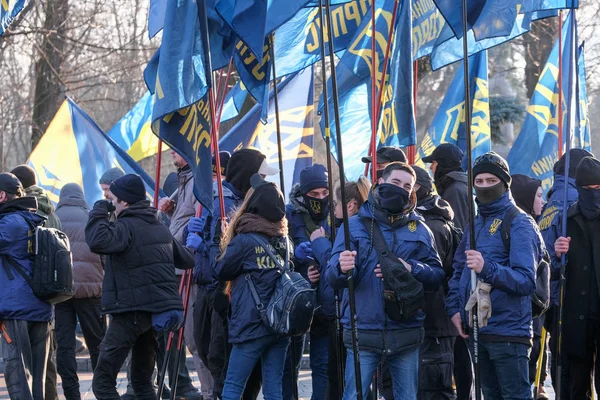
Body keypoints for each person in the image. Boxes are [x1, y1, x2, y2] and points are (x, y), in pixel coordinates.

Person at [327, 162, 445, 399]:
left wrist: (412, 268)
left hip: (406, 329)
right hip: (363, 329)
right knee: (353, 396)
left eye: (406, 186)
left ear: (412, 191)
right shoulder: (355, 225)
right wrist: (341, 267)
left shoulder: (421, 229)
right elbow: (332, 276)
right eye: (395, 182)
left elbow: (437, 276)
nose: (400, 188)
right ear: (380, 182)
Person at [86, 174, 194, 399]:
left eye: (113, 200)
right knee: (143, 382)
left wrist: (98, 210)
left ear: (125, 202)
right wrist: (193, 240)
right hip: (153, 315)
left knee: (103, 382)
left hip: (130, 313)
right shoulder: (159, 226)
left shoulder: (126, 227)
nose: (111, 203)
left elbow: (97, 240)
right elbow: (186, 260)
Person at [446, 152, 544, 400]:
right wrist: (455, 311)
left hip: (510, 332)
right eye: (479, 181)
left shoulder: (519, 222)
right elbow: (459, 270)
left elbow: (526, 281)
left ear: (504, 183)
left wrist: (486, 267)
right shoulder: (475, 223)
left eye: (491, 180)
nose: (485, 186)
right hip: (477, 330)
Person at [192, 148, 277, 399]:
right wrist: (205, 246)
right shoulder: (225, 203)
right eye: (261, 175)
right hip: (221, 294)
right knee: (222, 362)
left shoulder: (255, 200)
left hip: (240, 297)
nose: (266, 181)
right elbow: (221, 263)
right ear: (248, 176)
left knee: (240, 371)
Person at [214, 174, 291, 399]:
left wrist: (220, 239)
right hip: (279, 324)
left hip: (251, 324)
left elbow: (220, 270)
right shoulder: (285, 241)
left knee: (234, 386)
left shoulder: (245, 241)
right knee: (273, 387)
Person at [537, 148, 593, 399]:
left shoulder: (552, 200)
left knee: (564, 368)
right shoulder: (572, 201)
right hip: (568, 298)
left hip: (553, 296)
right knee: (571, 371)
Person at [310, 177, 371, 400]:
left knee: (344, 377)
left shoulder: (352, 227)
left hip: (347, 312)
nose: (332, 208)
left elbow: (339, 265)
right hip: (340, 311)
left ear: (350, 205)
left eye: (335, 203)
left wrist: (319, 243)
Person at [156, 150, 205, 400]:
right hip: (175, 266)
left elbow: (202, 218)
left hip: (189, 268)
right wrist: (171, 212)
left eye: (177, 147)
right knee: (173, 331)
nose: (171, 150)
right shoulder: (184, 178)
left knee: (193, 337)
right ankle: (179, 384)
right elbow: (184, 219)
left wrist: (191, 240)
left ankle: (207, 391)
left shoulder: (198, 178)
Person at [11, 164, 61, 400]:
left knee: (19, 366)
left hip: (20, 295)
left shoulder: (15, 217)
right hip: (48, 294)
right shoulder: (51, 213)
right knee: (46, 364)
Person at [0, 172, 51, 399]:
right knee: (36, 382)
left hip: (16, 309)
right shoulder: (34, 219)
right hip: (41, 307)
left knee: (18, 377)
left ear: (1, 196)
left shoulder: (9, 223)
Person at [553, 156, 600, 399]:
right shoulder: (565, 221)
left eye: (598, 188)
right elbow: (550, 270)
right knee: (575, 385)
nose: (593, 194)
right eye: (587, 189)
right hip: (576, 315)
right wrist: (558, 254)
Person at [284, 164, 332, 400]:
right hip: (297, 303)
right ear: (303, 194)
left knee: (322, 364)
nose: (321, 199)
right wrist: (299, 264)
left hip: (326, 303)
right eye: (314, 195)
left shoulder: (337, 214)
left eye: (325, 193)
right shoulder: (288, 216)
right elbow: (278, 256)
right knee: (290, 364)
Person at [54, 183, 106, 400]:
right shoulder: (91, 217)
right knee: (98, 344)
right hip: (91, 291)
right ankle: (103, 390)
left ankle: (72, 393)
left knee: (64, 346)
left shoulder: (52, 218)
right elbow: (104, 253)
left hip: (60, 292)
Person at [511, 174, 548, 399]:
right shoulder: (521, 226)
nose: (542, 202)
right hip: (522, 315)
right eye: (538, 196)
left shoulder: (531, 224)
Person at [422, 143, 469, 231]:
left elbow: (457, 229)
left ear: (443, 164)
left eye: (433, 163)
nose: (431, 167)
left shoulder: (454, 190)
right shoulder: (457, 185)